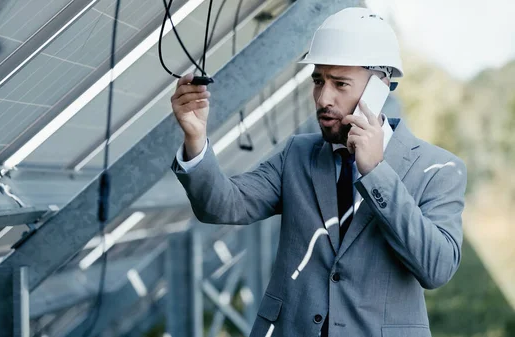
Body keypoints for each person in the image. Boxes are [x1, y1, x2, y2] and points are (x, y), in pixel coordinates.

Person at [170, 7, 467, 337]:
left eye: (340, 84)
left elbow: (436, 268)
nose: (324, 98)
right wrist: (195, 138)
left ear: (380, 87)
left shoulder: (438, 168)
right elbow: (222, 206)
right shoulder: (296, 154)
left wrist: (376, 172)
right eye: (318, 81)